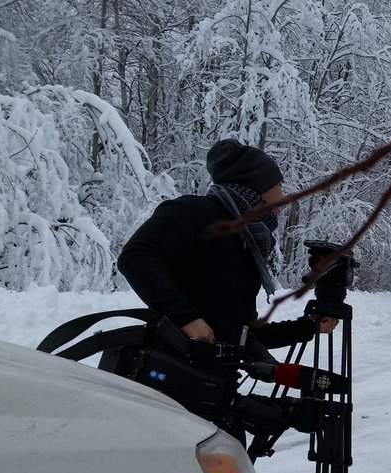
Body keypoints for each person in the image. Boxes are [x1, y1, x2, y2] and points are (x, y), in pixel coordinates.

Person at [118, 139, 335, 363]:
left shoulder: (248, 239)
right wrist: (185, 319)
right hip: (170, 369)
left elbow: (240, 333)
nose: (283, 197)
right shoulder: (195, 212)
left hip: (212, 379)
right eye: (278, 186)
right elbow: (136, 257)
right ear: (258, 186)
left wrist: (310, 326)